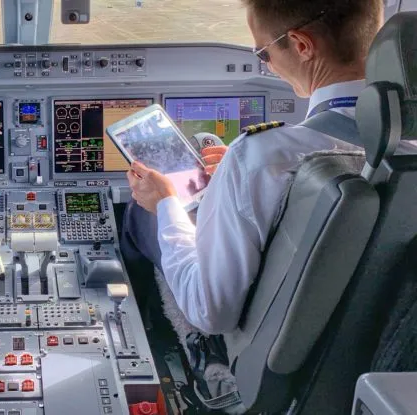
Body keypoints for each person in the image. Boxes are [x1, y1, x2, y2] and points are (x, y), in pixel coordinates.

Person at [121, 0, 386, 335]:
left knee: (143, 212)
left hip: (270, 348)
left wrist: (165, 203)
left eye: (264, 53)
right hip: (371, 340)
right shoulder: (403, 146)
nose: (270, 65)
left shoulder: (259, 155)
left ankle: (161, 341)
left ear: (302, 45)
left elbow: (210, 312)